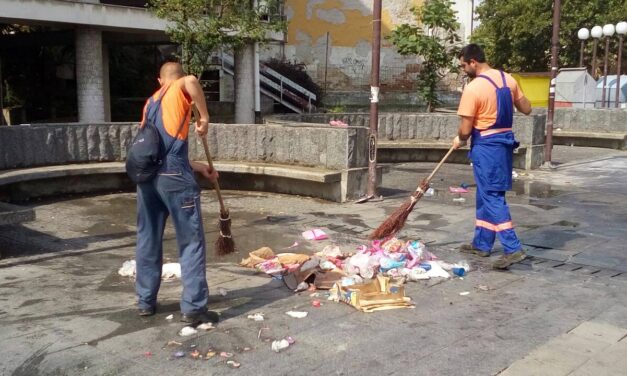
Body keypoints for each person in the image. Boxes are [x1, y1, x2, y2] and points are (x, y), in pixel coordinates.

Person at [135, 62, 220, 324]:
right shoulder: (179, 86)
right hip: (173, 178)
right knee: (191, 241)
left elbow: (159, 152)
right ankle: (194, 308)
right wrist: (204, 118)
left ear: (159, 80)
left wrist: (198, 167)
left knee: (147, 239)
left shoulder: (150, 103)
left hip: (147, 178)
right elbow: (193, 80)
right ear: (173, 79)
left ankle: (145, 302)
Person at [453, 44, 532, 269]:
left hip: (487, 146)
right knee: (486, 193)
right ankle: (482, 243)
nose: (463, 69)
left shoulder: (474, 88)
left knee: (492, 196)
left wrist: (459, 138)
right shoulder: (508, 79)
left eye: (463, 65)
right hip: (504, 142)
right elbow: (526, 108)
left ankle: (513, 248)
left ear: (473, 62)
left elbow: (466, 130)